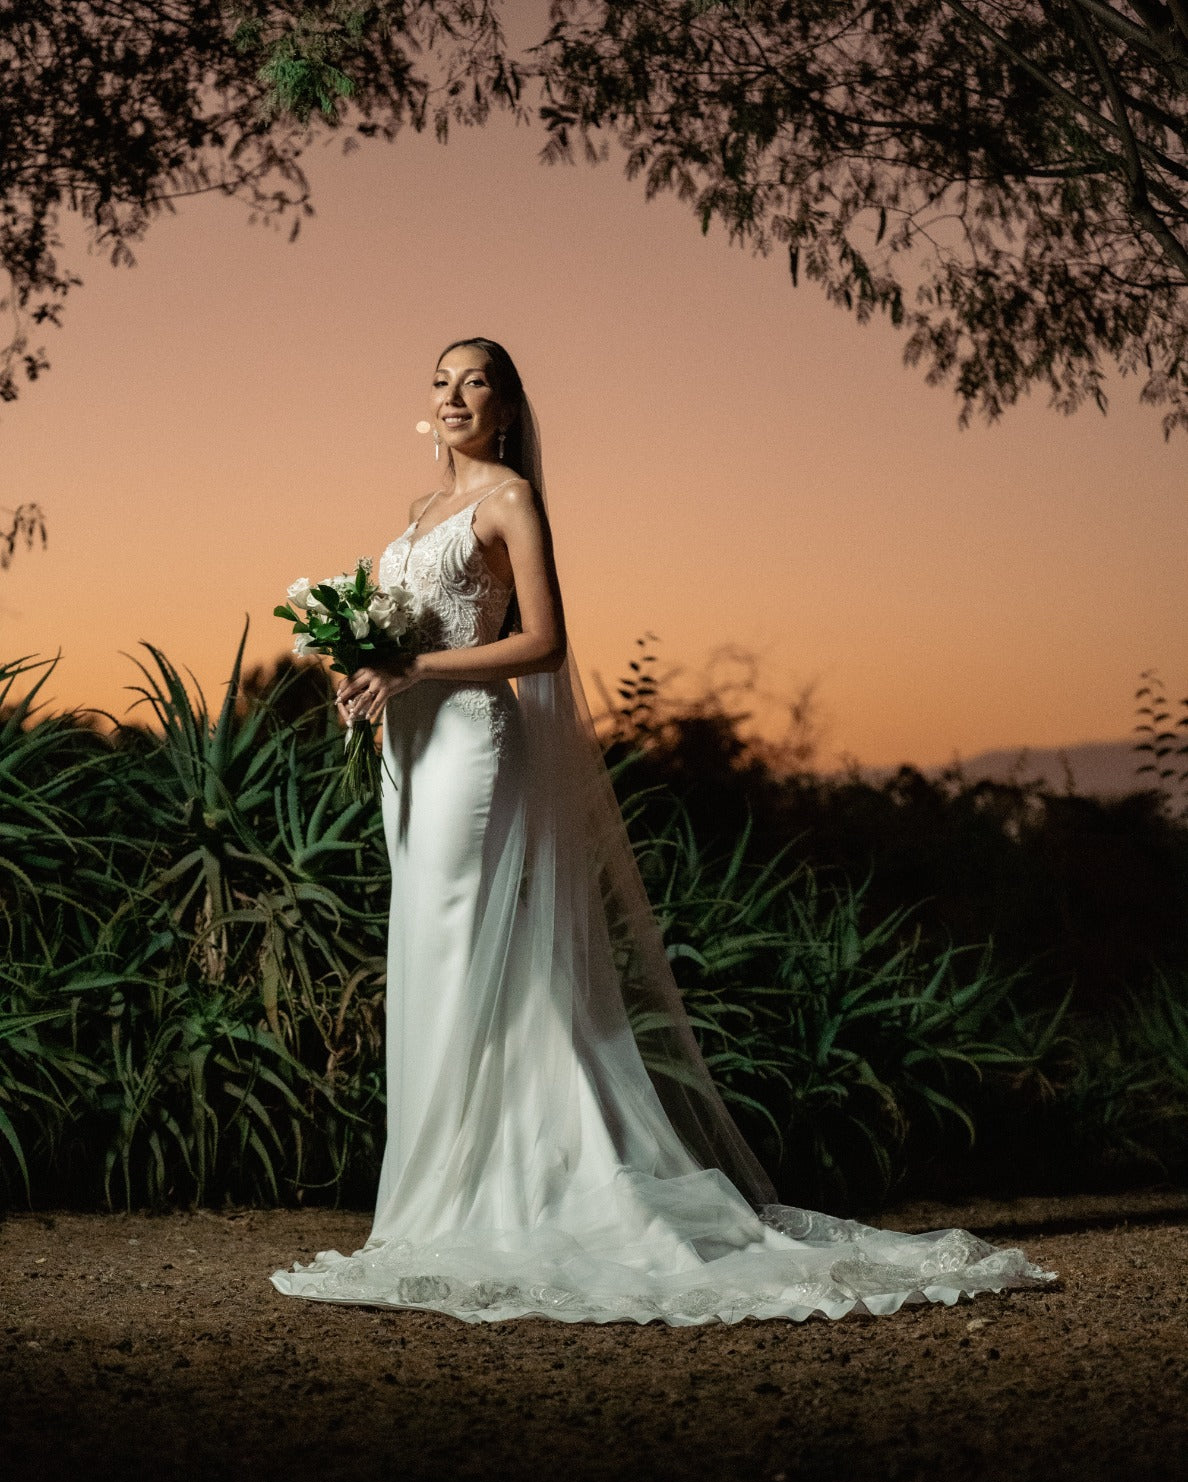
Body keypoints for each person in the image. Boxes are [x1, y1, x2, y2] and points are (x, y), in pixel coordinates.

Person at [270, 338, 1055, 1325]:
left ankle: (499, 1192)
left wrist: (421, 671)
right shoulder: (417, 514)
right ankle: (445, 1187)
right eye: (441, 379)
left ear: (507, 406)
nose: (455, 394)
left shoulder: (509, 497)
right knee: (432, 955)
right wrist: (369, 677)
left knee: (468, 947)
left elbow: (546, 641)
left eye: (477, 380)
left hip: (473, 751)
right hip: (409, 758)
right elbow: (408, 631)